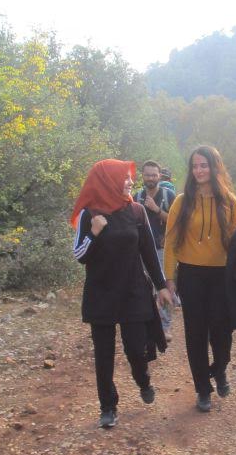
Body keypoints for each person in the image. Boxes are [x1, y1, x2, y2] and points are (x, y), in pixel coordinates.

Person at [70, 159, 173, 428]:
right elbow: (79, 255)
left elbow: (148, 252)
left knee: (136, 349)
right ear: (108, 180)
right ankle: (108, 407)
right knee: (103, 354)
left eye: (130, 178)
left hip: (133, 291)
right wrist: (94, 233)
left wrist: (162, 286)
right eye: (124, 177)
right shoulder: (89, 214)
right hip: (101, 293)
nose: (130, 182)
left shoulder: (136, 211)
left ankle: (143, 380)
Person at [163, 145, 236, 412]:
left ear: (215, 167)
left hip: (222, 276)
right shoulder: (182, 202)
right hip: (191, 275)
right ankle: (203, 389)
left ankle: (220, 368)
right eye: (195, 166)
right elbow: (171, 242)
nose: (199, 171)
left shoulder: (230, 202)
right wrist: (169, 278)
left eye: (204, 165)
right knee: (196, 334)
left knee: (222, 332)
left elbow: (235, 244)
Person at [134, 160, 177, 341]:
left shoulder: (169, 195)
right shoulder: (136, 197)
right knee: (143, 287)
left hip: (162, 250)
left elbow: (176, 222)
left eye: (154, 175)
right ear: (142, 176)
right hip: (140, 251)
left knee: (164, 286)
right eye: (147, 175)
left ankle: (165, 327)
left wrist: (156, 209)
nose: (150, 178)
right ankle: (148, 325)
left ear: (160, 176)